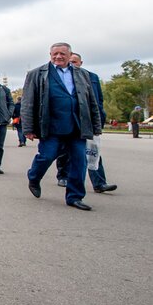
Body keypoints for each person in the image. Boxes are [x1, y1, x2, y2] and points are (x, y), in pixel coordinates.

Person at [22, 42, 102, 211]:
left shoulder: (82, 74)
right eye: (55, 54)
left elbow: (91, 101)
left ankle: (74, 197)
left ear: (69, 55)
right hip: (51, 126)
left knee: (79, 162)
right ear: (50, 55)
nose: (58, 57)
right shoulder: (37, 74)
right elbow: (28, 102)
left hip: (77, 126)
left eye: (62, 54)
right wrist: (28, 128)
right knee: (47, 156)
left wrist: (96, 126)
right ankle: (34, 176)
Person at [55, 53, 117, 193]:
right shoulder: (60, 77)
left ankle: (99, 183)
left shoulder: (91, 77)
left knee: (93, 152)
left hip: (87, 121)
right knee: (66, 152)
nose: (72, 64)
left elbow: (98, 101)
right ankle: (63, 176)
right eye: (70, 61)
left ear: (81, 62)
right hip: (70, 121)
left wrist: (99, 120)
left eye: (75, 62)